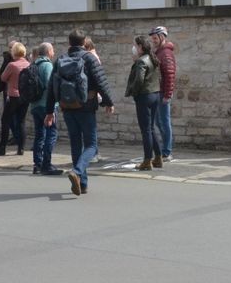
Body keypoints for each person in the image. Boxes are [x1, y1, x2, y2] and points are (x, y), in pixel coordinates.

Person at [44, 29, 115, 196]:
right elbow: (101, 81)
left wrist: (49, 111)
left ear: (69, 43)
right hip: (86, 106)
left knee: (76, 143)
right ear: (84, 43)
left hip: (67, 107)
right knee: (91, 145)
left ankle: (82, 184)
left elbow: (51, 88)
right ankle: (77, 172)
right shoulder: (89, 58)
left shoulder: (61, 59)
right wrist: (108, 102)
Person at [125, 35, 162, 171]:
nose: (133, 48)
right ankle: (157, 157)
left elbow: (139, 80)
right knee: (151, 128)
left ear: (140, 47)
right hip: (155, 95)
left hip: (144, 97)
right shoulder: (152, 58)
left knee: (146, 130)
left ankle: (147, 161)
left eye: (135, 45)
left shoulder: (141, 61)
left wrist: (134, 92)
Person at [0, 42, 31, 156]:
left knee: (5, 121)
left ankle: (2, 148)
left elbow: (3, 78)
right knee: (21, 121)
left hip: (13, 96)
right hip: (24, 96)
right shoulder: (28, 64)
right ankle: (21, 148)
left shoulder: (12, 65)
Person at [28, 43, 61, 176]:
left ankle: (37, 164)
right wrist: (53, 107)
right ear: (48, 52)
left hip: (35, 105)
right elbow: (50, 87)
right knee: (51, 134)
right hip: (45, 106)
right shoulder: (47, 65)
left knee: (39, 135)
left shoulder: (33, 64)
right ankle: (46, 164)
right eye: (53, 50)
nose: (54, 52)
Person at [149, 26, 177, 163]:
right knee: (158, 122)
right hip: (157, 92)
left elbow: (170, 75)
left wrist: (168, 94)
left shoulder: (165, 53)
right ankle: (164, 149)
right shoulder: (159, 52)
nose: (153, 40)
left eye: (155, 38)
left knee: (164, 123)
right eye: (152, 38)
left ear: (162, 37)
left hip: (162, 94)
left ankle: (167, 152)